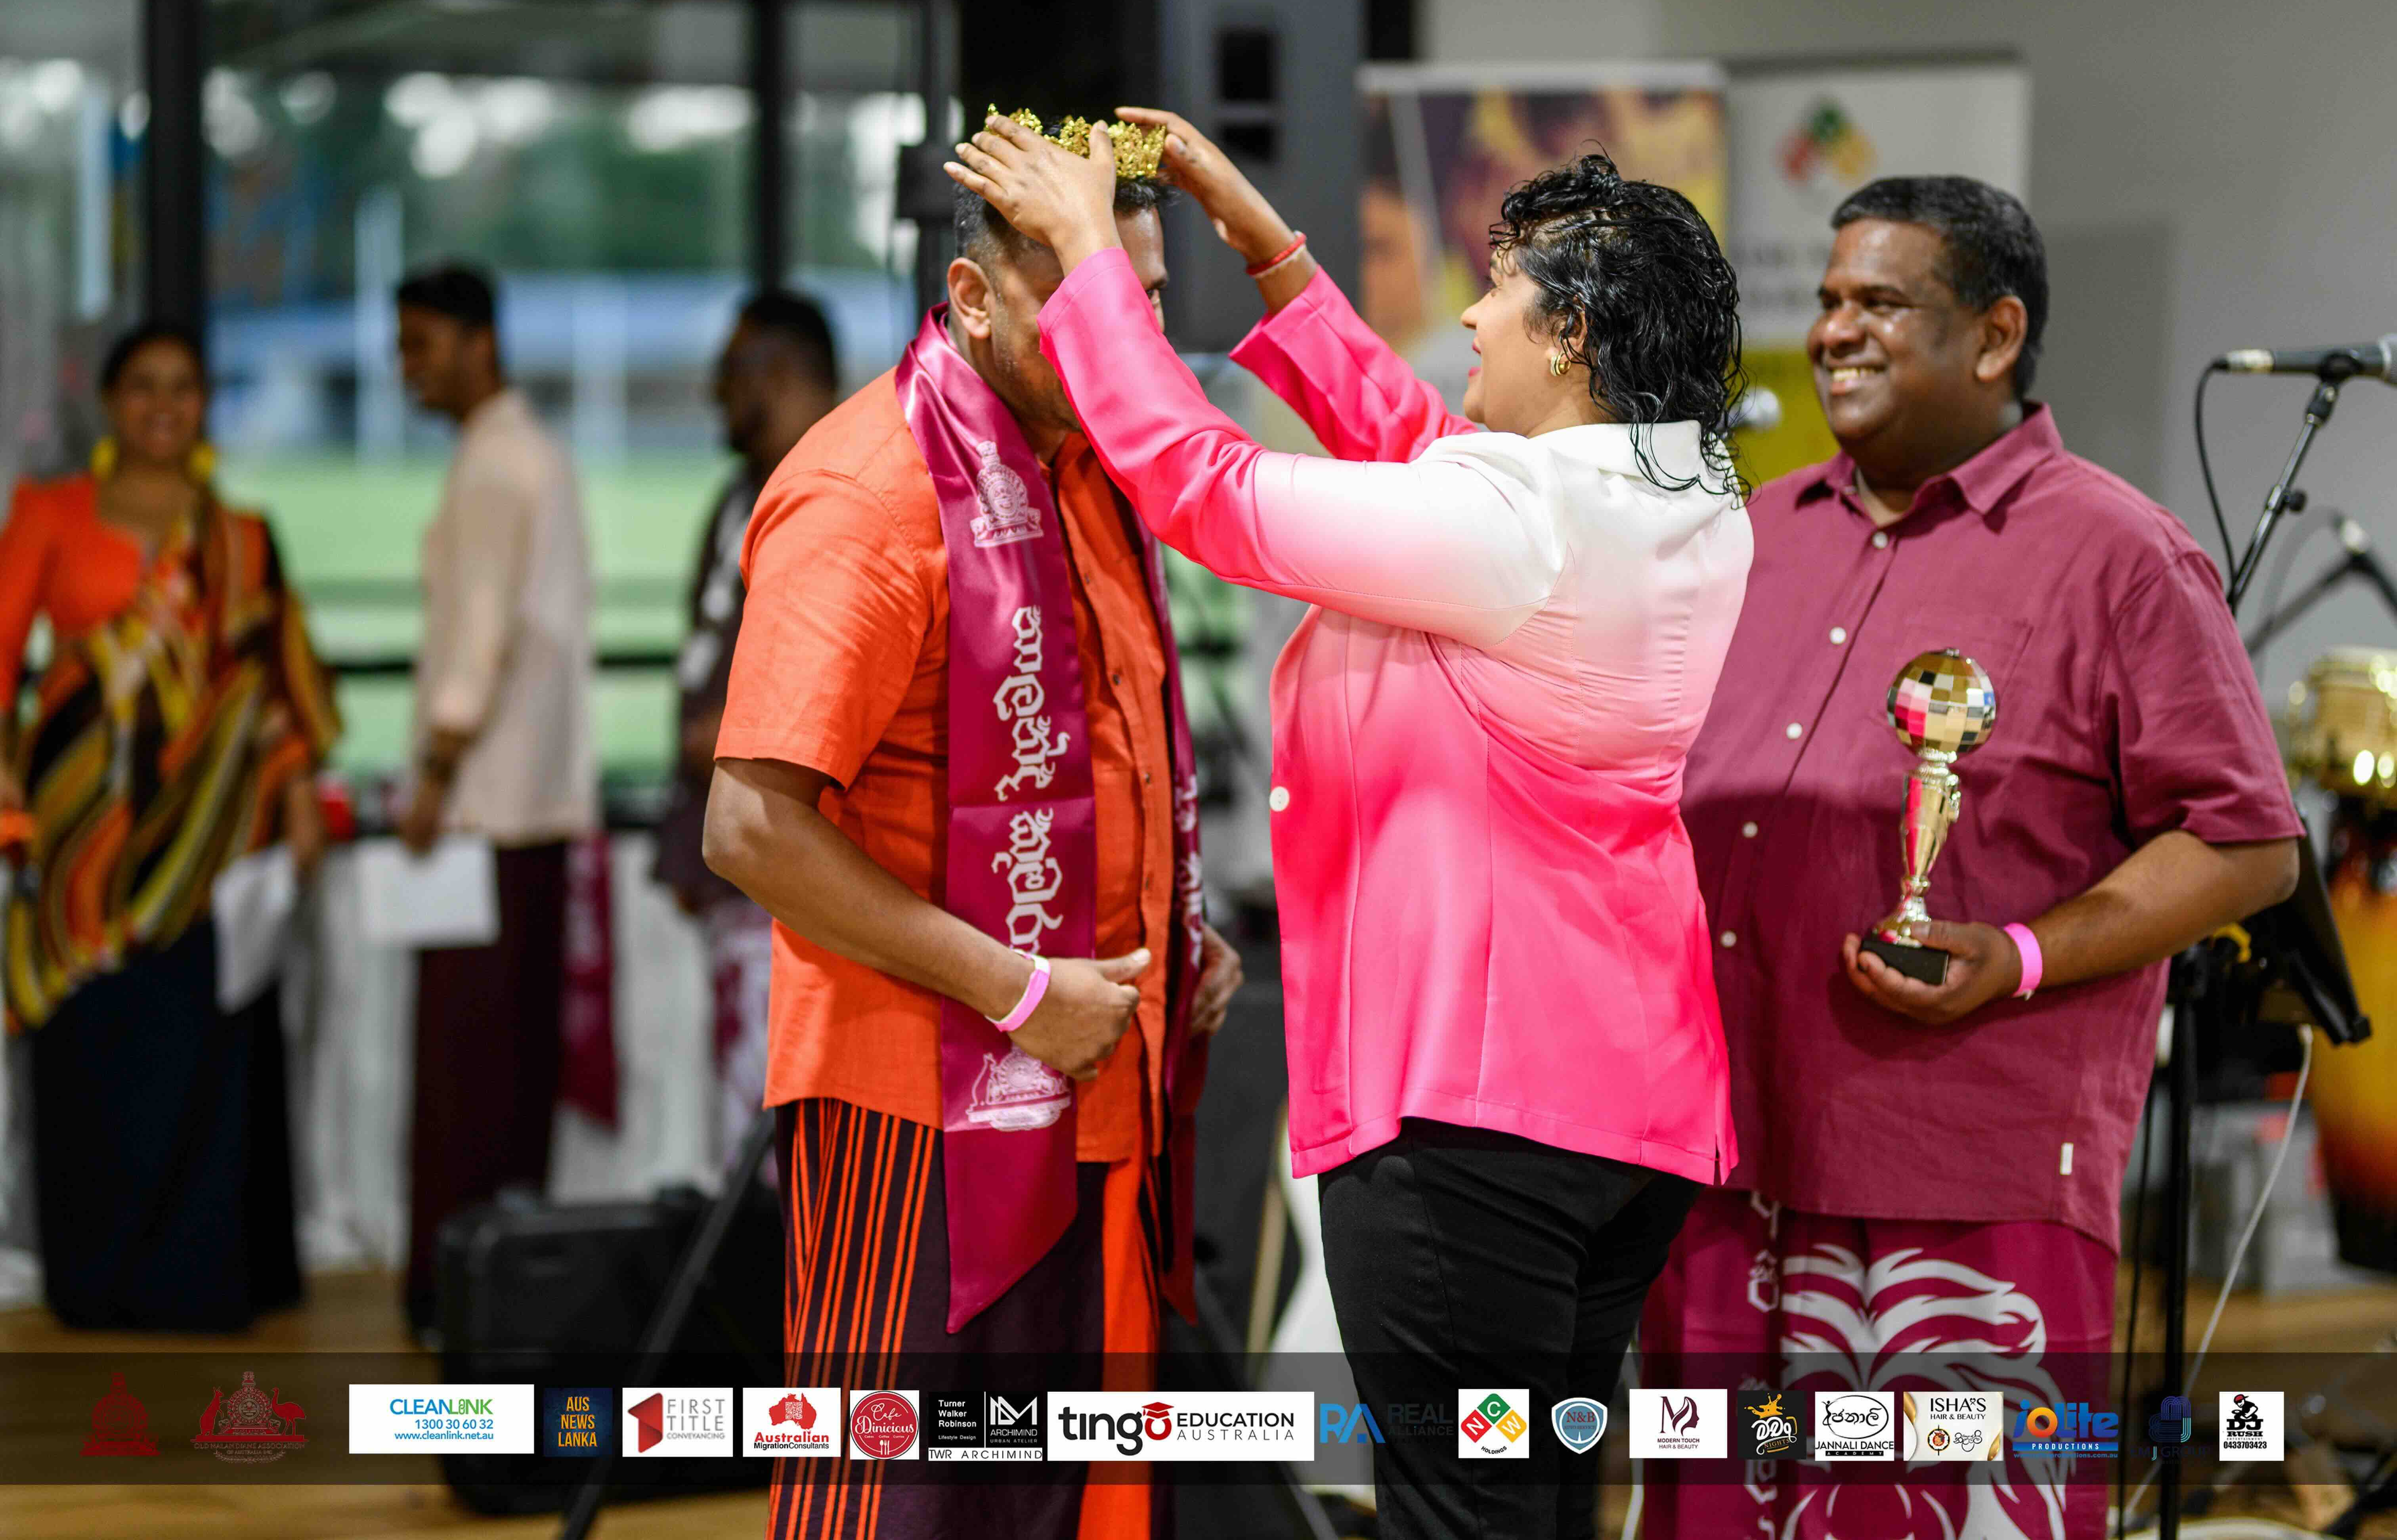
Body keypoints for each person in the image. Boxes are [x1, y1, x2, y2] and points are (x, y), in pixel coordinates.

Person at [948, 109, 1752, 1540]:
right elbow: (1421, 446)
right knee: (1534, 1499)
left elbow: (1210, 488)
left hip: (1477, 1125)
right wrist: (1262, 243)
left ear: (1566, 334)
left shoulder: (1521, 522)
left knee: (1456, 1513)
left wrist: (1085, 254)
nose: (1467, 312)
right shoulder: (1678, 495)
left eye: (1497, 291)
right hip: (1619, 1113)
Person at [1642, 178, 2302, 1540]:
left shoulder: (2116, 557)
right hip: (1716, 1168)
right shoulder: (1753, 535)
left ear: (1992, 337)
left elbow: (2245, 845)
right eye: (1824, 302)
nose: (1832, 332)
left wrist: (2015, 954)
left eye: (1876, 303)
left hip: (1958, 1186)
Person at [701, 114, 1244, 1540]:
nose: (1130, 336)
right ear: (972, 298)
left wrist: (1181, 922)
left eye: (1147, 302)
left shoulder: (1096, 468)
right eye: (1087, 296)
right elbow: (749, 826)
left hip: (1098, 1081)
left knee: (1074, 1505)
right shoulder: (866, 491)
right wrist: (1011, 985)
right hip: (922, 1104)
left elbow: (1112, 760)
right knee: (906, 1502)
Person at [0, 321, 339, 1330]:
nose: (164, 404)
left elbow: (276, 692)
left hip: (212, 849)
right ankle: (97, 1278)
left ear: (202, 405)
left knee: (203, 1058)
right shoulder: (50, 515)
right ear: (111, 403)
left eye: (183, 388)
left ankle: (199, 1278)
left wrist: (293, 806)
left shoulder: (242, 538)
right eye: (144, 386)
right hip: (80, 855)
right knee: (93, 1063)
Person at [393, 264, 598, 1334]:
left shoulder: (491, 465)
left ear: (482, 344)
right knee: (513, 1076)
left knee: (462, 1082)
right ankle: (507, 1282)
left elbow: (476, 644)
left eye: (422, 345)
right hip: (537, 812)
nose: (406, 371)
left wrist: (431, 772)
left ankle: (451, 1285)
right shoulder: (541, 456)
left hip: (477, 811)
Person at [653, 290, 840, 1160]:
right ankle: (753, 1288)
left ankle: (785, 1290)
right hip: (730, 854)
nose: (715, 397)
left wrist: (732, 733)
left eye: (730, 375)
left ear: (781, 369)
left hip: (793, 860)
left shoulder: (841, 489)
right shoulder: (742, 493)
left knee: (780, 1128)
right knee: (737, 1118)